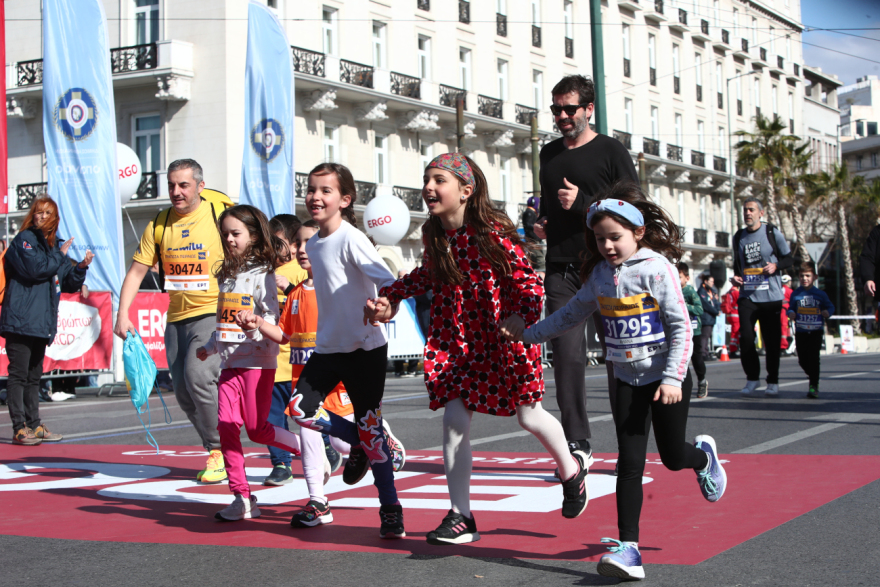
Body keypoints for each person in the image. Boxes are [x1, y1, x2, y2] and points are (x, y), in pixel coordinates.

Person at [365, 153, 588, 546]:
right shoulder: (435, 235)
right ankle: (461, 516)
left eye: (439, 180)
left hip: (505, 339)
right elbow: (427, 274)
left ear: (466, 191)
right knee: (453, 423)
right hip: (459, 344)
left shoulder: (490, 232)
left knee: (529, 416)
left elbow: (529, 283)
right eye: (426, 180)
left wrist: (520, 316)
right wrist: (391, 296)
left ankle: (571, 471)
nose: (429, 188)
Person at [508, 183, 727, 581]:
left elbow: (682, 328)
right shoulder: (598, 277)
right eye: (600, 238)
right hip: (625, 379)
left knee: (674, 456)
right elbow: (569, 316)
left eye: (616, 237)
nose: (607, 246)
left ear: (638, 233)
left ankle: (703, 457)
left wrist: (674, 377)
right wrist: (527, 334)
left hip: (666, 379)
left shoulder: (656, 269)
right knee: (629, 464)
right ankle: (630, 549)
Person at [241, 162, 405, 539]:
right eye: (311, 189)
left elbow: (389, 282)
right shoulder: (313, 245)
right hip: (328, 349)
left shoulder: (353, 239)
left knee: (371, 430)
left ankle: (391, 508)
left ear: (345, 200)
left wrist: (384, 306)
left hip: (365, 349)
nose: (315, 196)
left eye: (325, 191)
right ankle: (359, 440)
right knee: (300, 410)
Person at [533, 74, 640, 462]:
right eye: (556, 108)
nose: (561, 115)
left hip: (608, 268)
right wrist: (541, 223)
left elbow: (634, 206)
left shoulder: (611, 151)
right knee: (567, 356)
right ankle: (577, 442)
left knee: (619, 356)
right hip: (561, 267)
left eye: (569, 109)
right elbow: (550, 206)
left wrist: (584, 203)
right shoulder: (547, 154)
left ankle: (630, 442)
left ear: (589, 109)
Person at [114, 159, 227, 482]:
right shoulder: (160, 223)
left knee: (198, 376)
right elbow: (137, 272)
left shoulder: (220, 211)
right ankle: (214, 446)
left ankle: (221, 450)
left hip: (212, 312)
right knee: (181, 391)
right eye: (172, 186)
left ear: (199, 186)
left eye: (184, 185)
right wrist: (122, 315)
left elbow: (249, 241)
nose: (176, 192)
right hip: (176, 316)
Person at [194, 205, 303, 521]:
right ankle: (242, 497)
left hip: (258, 363)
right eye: (225, 234)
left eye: (236, 233)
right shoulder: (226, 275)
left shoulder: (262, 275)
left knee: (258, 430)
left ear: (254, 236)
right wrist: (211, 346)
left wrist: (255, 323)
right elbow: (224, 321)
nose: (229, 239)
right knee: (227, 428)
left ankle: (306, 449)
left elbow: (271, 317)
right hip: (229, 364)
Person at [3, 195, 93, 445]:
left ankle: (34, 424)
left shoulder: (55, 248)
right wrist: (60, 256)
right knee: (19, 375)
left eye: (47, 213)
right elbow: (36, 270)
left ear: (54, 218)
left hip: (40, 322)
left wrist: (81, 268)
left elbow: (68, 282)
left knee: (34, 377)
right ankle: (19, 427)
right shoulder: (24, 240)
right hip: (20, 320)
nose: (41, 216)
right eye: (38, 212)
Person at [260, 214, 308, 486]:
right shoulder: (261, 271)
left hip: (301, 362)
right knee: (271, 417)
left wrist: (289, 289)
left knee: (309, 416)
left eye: (277, 242)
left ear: (293, 245)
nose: (271, 247)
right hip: (270, 361)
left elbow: (311, 304)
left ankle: (325, 448)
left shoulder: (301, 270)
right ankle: (281, 463)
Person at [730, 197, 793, 397]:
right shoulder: (738, 236)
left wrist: (776, 266)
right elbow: (738, 264)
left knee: (772, 341)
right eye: (745, 210)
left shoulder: (771, 232)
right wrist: (736, 278)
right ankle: (752, 379)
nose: (747, 213)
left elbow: (789, 258)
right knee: (746, 338)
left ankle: (773, 380)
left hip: (771, 295)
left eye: (751, 210)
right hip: (748, 295)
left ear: (760, 213)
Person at [787, 263, 835, 399]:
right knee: (802, 359)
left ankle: (814, 385)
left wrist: (827, 312)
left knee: (814, 358)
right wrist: (791, 313)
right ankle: (812, 373)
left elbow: (830, 307)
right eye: (802, 276)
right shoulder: (796, 294)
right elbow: (790, 308)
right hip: (801, 331)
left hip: (816, 330)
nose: (804, 278)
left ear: (814, 277)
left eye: (808, 276)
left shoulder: (820, 294)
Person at [679, 263, 708, 398]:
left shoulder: (690, 291)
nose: (677, 280)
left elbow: (699, 309)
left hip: (694, 330)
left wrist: (685, 306)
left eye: (680, 277)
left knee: (696, 358)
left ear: (687, 278)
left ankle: (702, 381)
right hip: (679, 329)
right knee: (679, 358)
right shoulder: (673, 290)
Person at [698, 275, 720, 361]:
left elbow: (715, 301)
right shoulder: (702, 291)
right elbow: (705, 304)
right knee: (704, 336)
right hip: (705, 317)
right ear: (706, 281)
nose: (712, 283)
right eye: (711, 281)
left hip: (711, 317)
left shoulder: (711, 291)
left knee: (708, 336)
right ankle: (703, 353)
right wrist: (715, 311)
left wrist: (718, 309)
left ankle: (706, 352)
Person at [521, 195, 545, 277]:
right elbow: (528, 225)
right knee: (540, 261)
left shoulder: (532, 212)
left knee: (534, 260)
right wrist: (536, 226)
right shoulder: (529, 213)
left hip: (534, 240)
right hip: (533, 240)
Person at [721, 282, 741, 357]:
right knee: (735, 332)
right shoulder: (736, 292)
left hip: (730, 314)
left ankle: (735, 348)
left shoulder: (729, 292)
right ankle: (733, 350)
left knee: (735, 332)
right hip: (735, 315)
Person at [780, 274, 794, 355]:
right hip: (784, 312)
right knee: (784, 328)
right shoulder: (789, 291)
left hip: (777, 311)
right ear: (788, 282)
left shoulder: (778, 289)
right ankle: (783, 347)